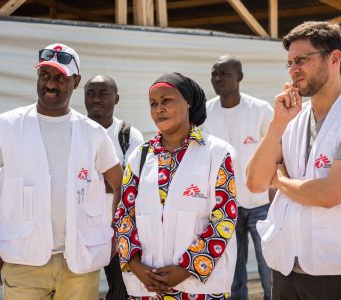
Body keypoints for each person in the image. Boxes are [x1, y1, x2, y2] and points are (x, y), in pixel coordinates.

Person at [246, 21, 341, 299]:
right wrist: (277, 124)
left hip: (337, 273)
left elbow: (330, 193)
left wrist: (279, 180)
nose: (293, 70)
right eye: (290, 63)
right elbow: (255, 182)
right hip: (287, 268)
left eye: (302, 60)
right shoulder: (292, 120)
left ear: (334, 59)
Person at [0, 43, 123, 299]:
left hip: (79, 265)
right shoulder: (8, 126)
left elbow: (122, 187)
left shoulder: (93, 134)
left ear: (76, 81)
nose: (50, 84)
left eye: (60, 77)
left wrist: (113, 240)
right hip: (23, 263)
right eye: (44, 75)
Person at [114, 72, 238, 299]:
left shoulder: (218, 153)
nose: (158, 108)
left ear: (188, 102)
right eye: (153, 104)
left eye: (166, 101)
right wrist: (136, 266)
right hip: (148, 287)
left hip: (200, 288)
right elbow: (124, 216)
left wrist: (187, 268)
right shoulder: (139, 157)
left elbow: (224, 219)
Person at [201, 54, 273, 300]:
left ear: (239, 78)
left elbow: (278, 149)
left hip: (261, 203)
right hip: (223, 206)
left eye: (224, 74)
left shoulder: (260, 110)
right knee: (231, 274)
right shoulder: (204, 114)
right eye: (214, 74)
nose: (218, 78)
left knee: (269, 269)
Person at [84, 74, 144, 299]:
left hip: (118, 228)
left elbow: (130, 185)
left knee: (121, 291)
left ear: (116, 99)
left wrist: (93, 180)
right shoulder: (75, 131)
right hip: (82, 228)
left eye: (103, 94)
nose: (96, 99)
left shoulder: (128, 135)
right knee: (79, 288)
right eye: (91, 93)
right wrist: (110, 179)